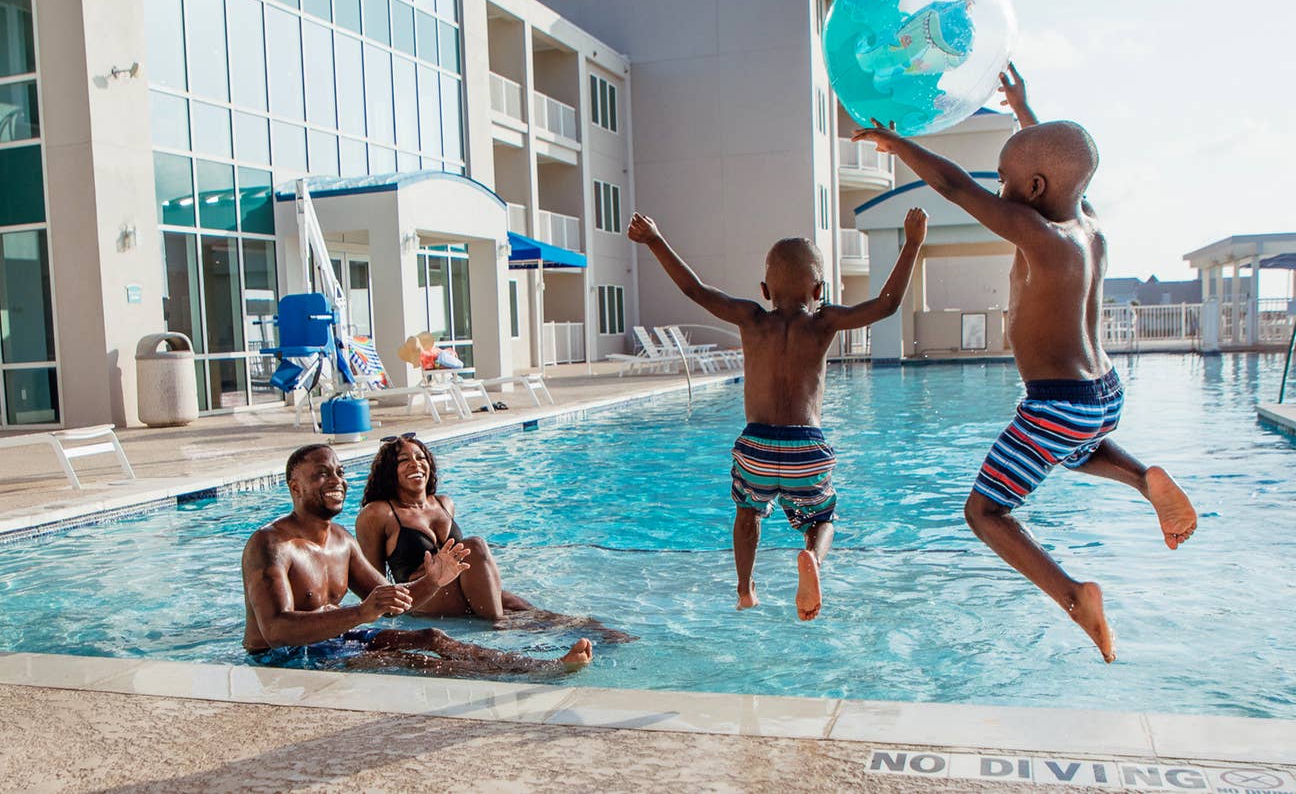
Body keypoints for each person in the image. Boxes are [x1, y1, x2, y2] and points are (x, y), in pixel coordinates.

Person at [851, 62, 1198, 662]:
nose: (1000, 189)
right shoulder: (1087, 227)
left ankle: (1072, 596)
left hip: (1056, 401)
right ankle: (1145, 479)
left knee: (985, 512)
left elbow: (957, 188)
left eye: (1007, 179)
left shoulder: (1037, 234)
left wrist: (897, 142)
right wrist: (1023, 108)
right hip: (1104, 392)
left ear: (1032, 191)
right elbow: (1061, 169)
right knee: (1076, 445)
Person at [627, 206, 928, 620]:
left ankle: (746, 588)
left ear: (765, 290)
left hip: (757, 445)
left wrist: (655, 239)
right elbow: (888, 304)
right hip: (806, 445)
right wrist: (911, 243)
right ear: (819, 290)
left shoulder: (751, 318)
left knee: (748, 512)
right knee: (822, 519)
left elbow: (694, 290)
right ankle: (813, 561)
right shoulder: (826, 321)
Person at [242, 443, 593, 675]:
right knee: (409, 660)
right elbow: (275, 633)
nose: (336, 481)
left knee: (431, 636)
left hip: (328, 642)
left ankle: (537, 667)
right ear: (295, 486)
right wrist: (363, 612)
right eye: (321, 473)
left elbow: (396, 605)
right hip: (282, 659)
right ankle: (530, 676)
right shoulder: (271, 544)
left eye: (339, 472)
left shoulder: (341, 542)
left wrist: (434, 580)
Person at [354, 433, 632, 642]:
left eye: (420, 457)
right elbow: (373, 582)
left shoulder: (443, 503)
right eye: (404, 461)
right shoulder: (378, 514)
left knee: (526, 609)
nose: (416, 464)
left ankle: (597, 632)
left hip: (457, 587)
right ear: (390, 472)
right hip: (422, 596)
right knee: (475, 549)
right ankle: (501, 629)